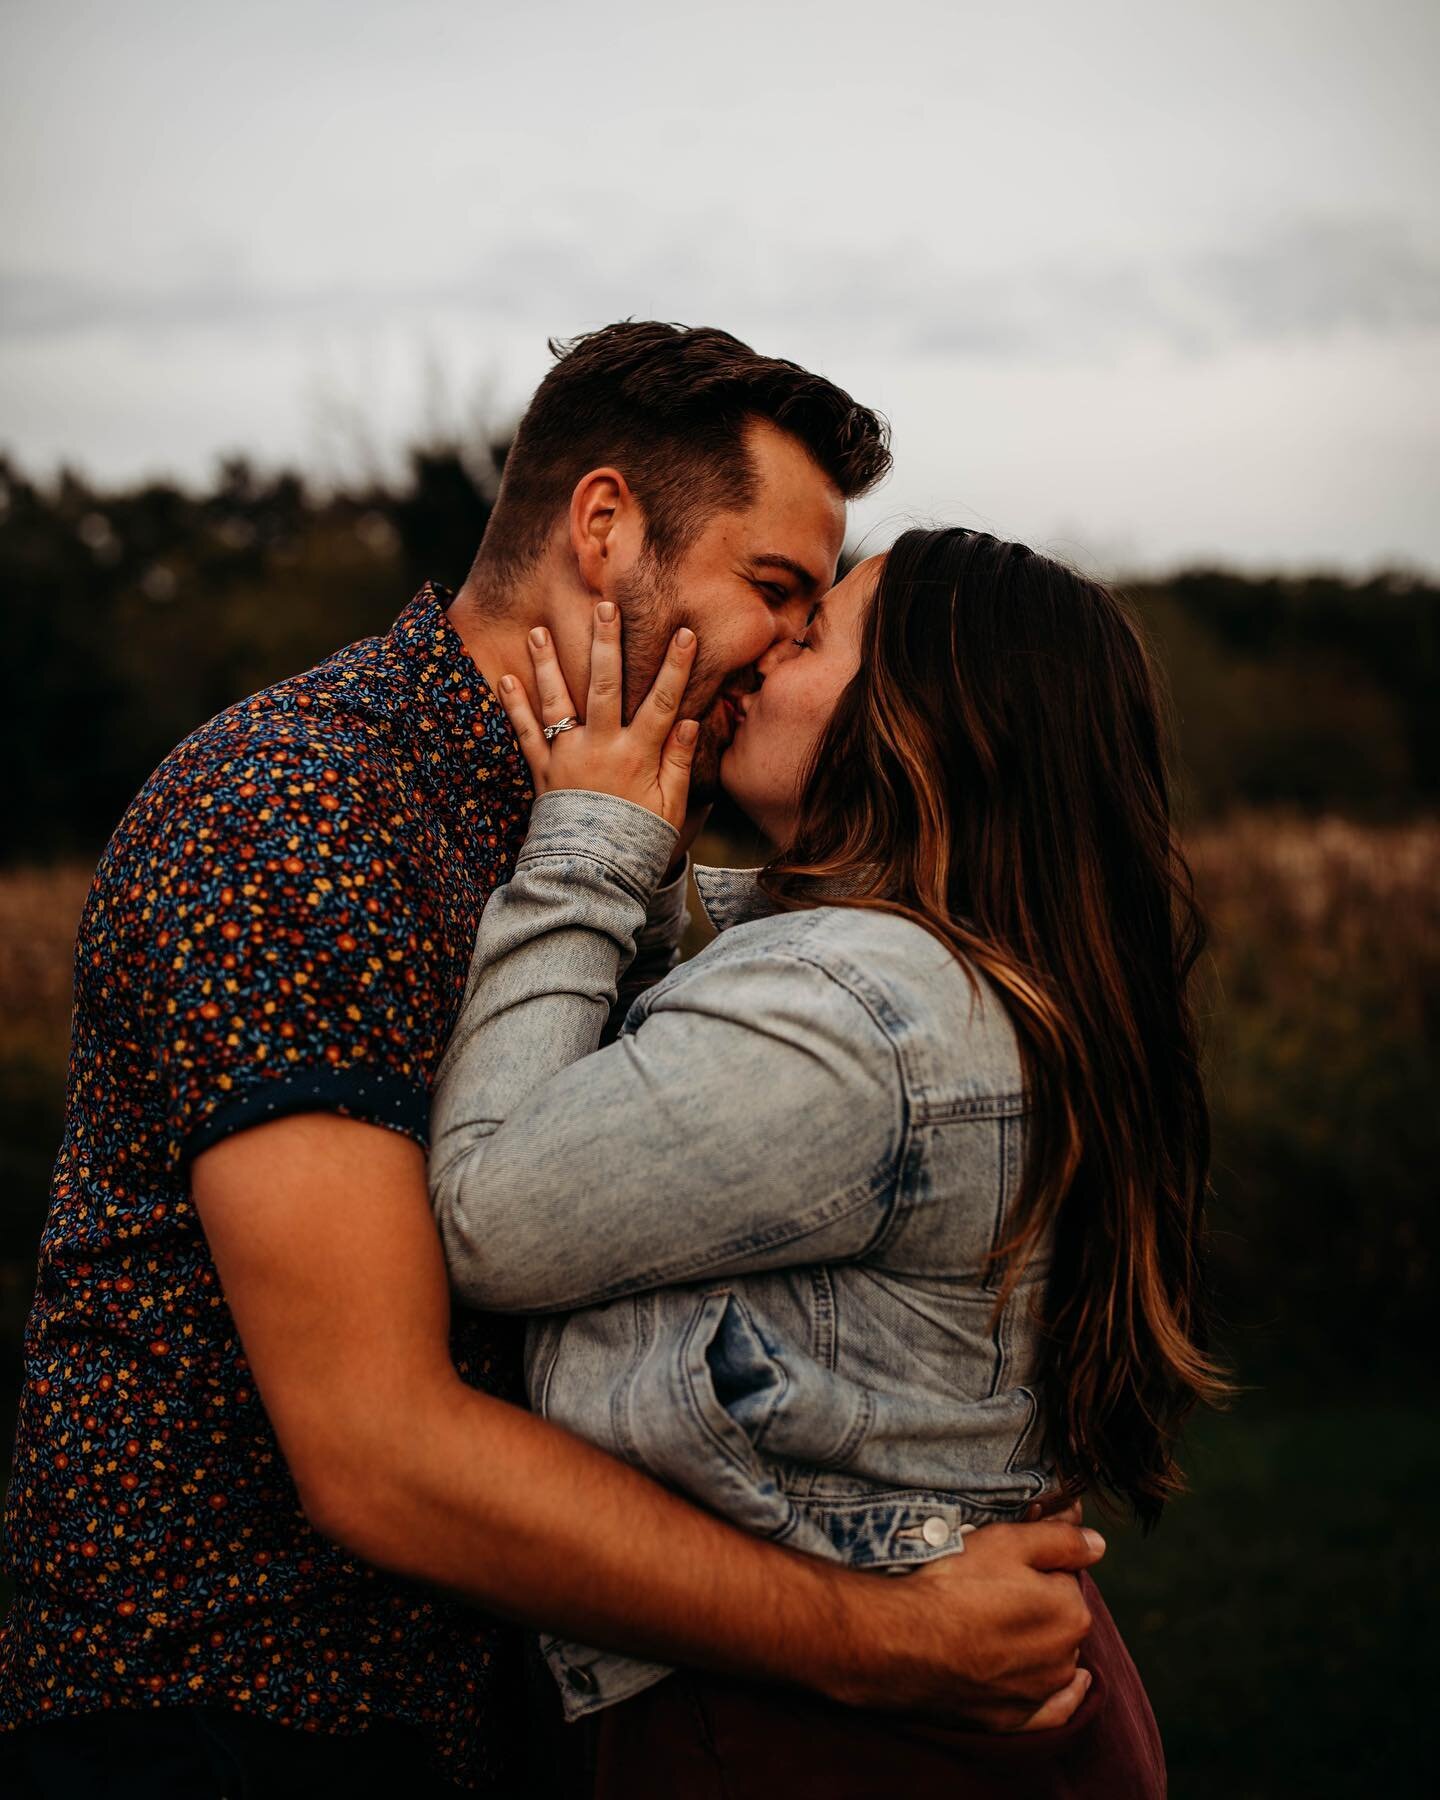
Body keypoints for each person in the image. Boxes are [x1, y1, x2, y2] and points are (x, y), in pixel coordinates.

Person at [0, 326, 1102, 1797]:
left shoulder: (614, 842)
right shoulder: (293, 816)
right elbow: (378, 1447)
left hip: (504, 1715)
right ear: (605, 530)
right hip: (237, 1715)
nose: (789, 650)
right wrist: (885, 1638)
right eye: (776, 592)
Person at [429, 526, 1230, 1795]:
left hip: (830, 1736)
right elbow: (641, 1145)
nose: (765, 652)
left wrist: (583, 846)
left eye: (816, 633)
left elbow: (486, 1215)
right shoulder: (950, 981)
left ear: (917, 723)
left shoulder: (854, 1013)